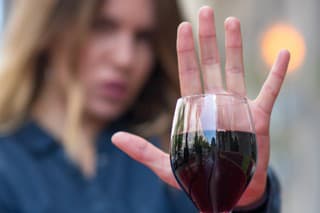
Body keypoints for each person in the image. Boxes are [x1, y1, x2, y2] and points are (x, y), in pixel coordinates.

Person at [0, 0, 289, 212]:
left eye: (144, 38)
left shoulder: (180, 159)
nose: (125, 58)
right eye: (103, 27)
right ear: (50, 29)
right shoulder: (8, 164)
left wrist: (245, 202)